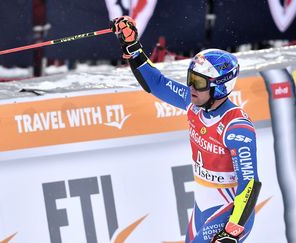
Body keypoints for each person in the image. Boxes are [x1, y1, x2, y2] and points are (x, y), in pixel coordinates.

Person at [110, 16, 262, 243]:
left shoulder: (236, 127)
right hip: (203, 205)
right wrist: (133, 48)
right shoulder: (195, 104)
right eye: (190, 79)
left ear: (220, 88)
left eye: (199, 83)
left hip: (229, 211)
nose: (191, 87)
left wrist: (233, 229)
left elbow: (249, 183)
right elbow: (158, 84)